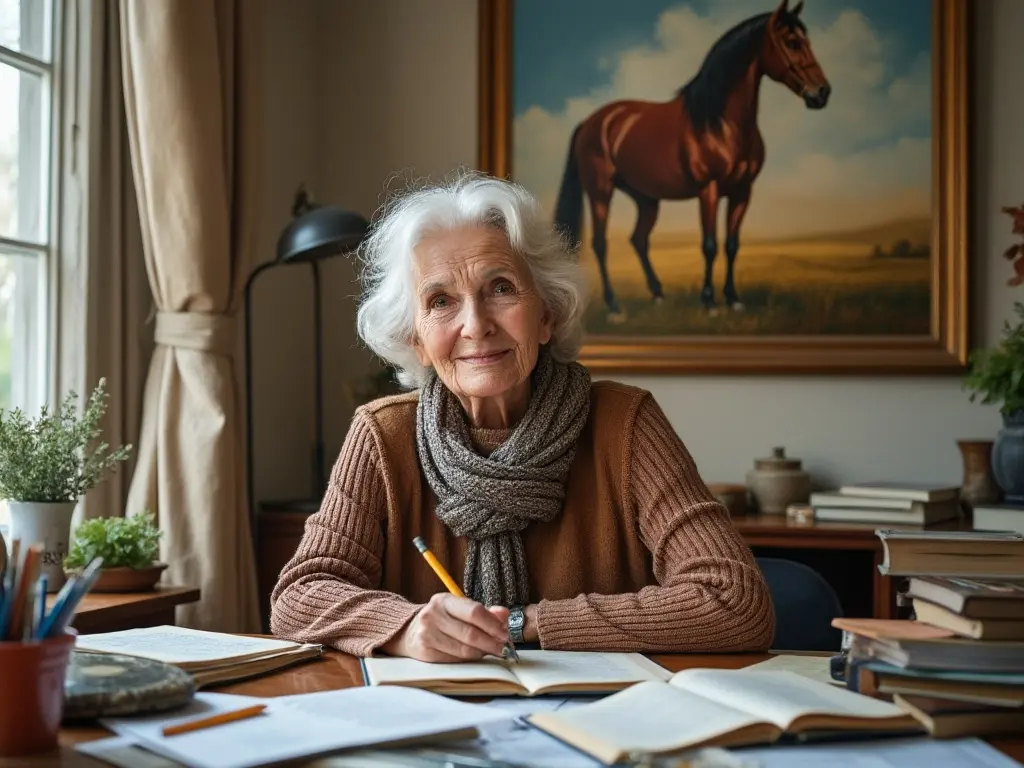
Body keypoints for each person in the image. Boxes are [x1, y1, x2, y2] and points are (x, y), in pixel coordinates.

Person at [270, 172, 775, 662]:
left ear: (548, 314)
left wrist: (521, 623)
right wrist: (403, 626)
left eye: (501, 288)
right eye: (441, 301)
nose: (476, 325)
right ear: (416, 341)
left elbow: (734, 600)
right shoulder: (383, 435)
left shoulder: (626, 423)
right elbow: (299, 595)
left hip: (604, 725)